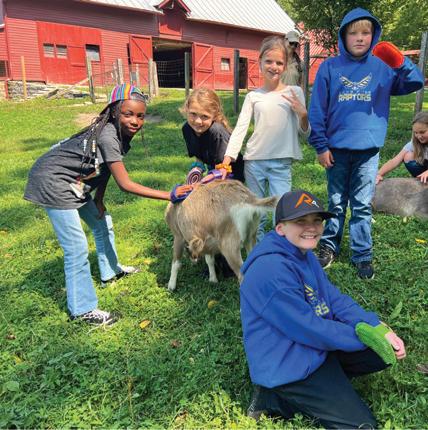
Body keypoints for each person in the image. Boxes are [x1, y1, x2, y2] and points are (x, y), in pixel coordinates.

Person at [24, 84, 192, 326]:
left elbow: (103, 169)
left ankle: (111, 271)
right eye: (128, 114)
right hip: (53, 181)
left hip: (76, 182)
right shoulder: (108, 136)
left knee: (102, 222)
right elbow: (125, 184)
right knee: (76, 247)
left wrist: (99, 199)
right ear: (114, 112)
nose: (135, 121)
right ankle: (82, 310)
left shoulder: (120, 135)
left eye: (140, 116)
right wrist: (170, 195)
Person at [240, 189, 406, 429]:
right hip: (288, 364)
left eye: (316, 220)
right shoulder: (270, 270)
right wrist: (361, 337)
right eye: (300, 221)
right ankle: (273, 397)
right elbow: (308, 328)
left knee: (381, 352)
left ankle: (327, 382)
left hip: (312, 347)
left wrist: (372, 326)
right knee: (362, 426)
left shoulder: (302, 251)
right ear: (280, 228)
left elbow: (333, 299)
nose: (312, 228)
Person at [308, 8, 424, 279]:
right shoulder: (330, 67)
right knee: (336, 202)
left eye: (365, 32)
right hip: (335, 150)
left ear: (374, 36)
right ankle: (329, 246)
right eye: (353, 33)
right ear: (343, 36)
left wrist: (400, 62)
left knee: (361, 204)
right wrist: (321, 146)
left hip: (368, 151)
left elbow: (415, 81)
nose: (359, 38)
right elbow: (316, 110)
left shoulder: (383, 68)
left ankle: (362, 253)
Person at [221, 35, 310, 241]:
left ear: (285, 66)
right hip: (255, 162)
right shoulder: (253, 96)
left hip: (281, 163)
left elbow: (304, 133)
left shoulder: (295, 92)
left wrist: (303, 115)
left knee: (283, 211)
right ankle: (257, 250)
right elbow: (241, 128)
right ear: (260, 61)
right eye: (269, 61)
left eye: (279, 63)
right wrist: (227, 159)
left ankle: (282, 250)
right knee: (256, 212)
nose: (274, 67)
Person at [181, 88, 244, 182]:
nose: (198, 121)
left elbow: (223, 168)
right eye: (193, 114)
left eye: (205, 116)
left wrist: (202, 182)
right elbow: (198, 156)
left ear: (214, 115)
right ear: (187, 109)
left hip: (231, 173)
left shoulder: (216, 132)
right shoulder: (187, 129)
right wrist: (197, 169)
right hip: (213, 167)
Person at [376, 111, 428, 184]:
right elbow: (394, 161)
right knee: (408, 156)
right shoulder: (414, 143)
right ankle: (422, 180)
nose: (419, 136)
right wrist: (379, 174)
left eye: (422, 132)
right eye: (416, 132)